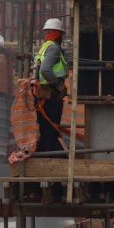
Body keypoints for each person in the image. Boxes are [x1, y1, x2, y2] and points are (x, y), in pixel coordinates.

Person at [34, 18, 69, 152]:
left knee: (45, 128)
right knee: (50, 129)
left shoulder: (45, 46)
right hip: (50, 95)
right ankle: (48, 157)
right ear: (58, 34)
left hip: (43, 95)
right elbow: (45, 70)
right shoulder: (54, 48)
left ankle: (44, 155)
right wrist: (60, 85)